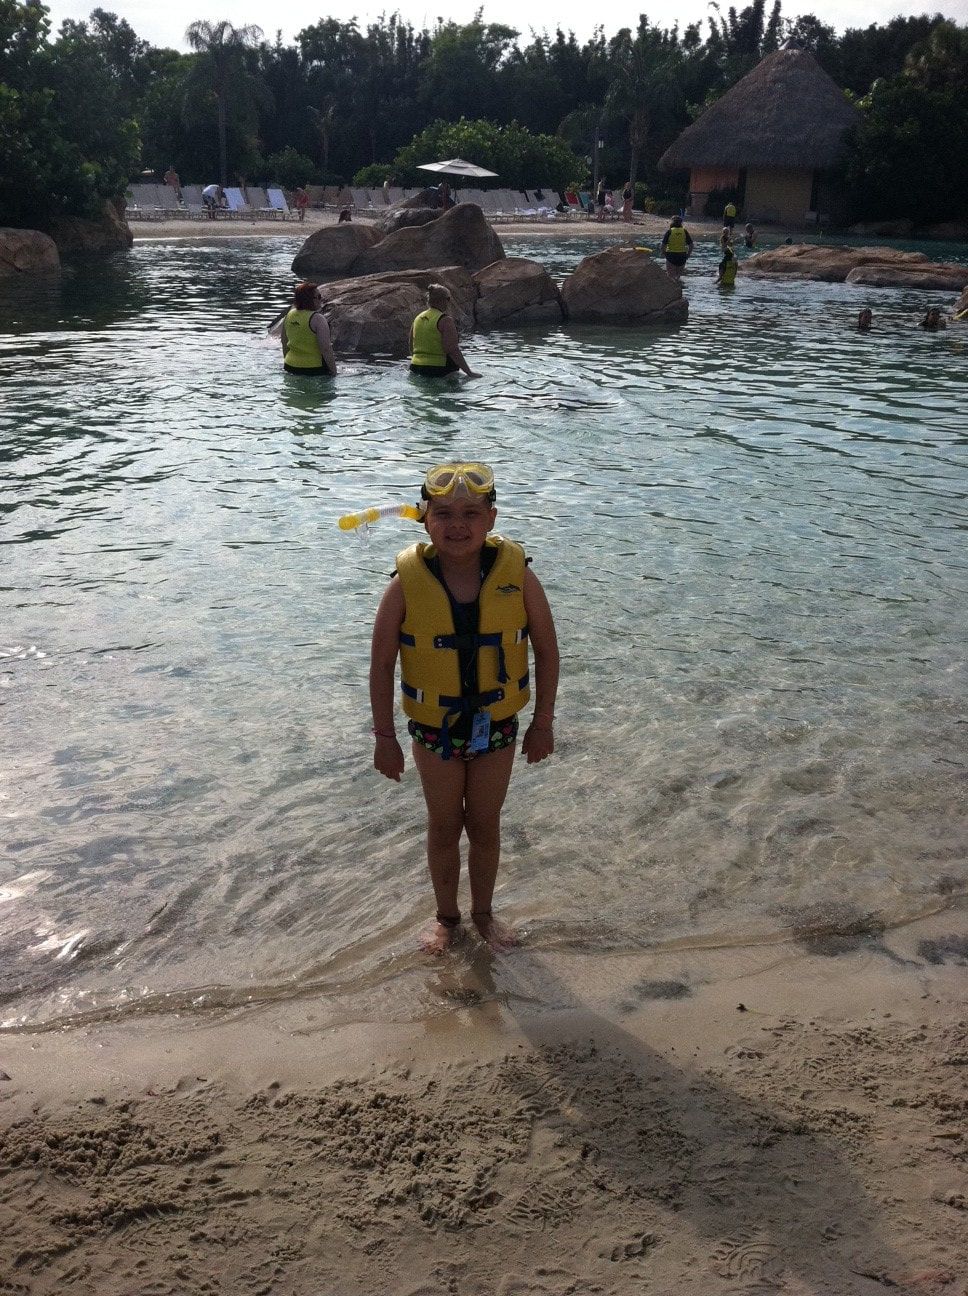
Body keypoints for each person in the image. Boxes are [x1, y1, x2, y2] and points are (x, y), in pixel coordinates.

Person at [369, 462, 559, 953]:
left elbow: (547, 651)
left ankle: (484, 915)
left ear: (491, 518)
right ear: (424, 519)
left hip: (497, 724)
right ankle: (447, 919)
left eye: (472, 513)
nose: (459, 525)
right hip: (433, 729)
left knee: (485, 824)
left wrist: (543, 724)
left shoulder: (517, 575)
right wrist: (385, 739)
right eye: (445, 513)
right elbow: (381, 664)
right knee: (444, 824)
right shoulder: (406, 583)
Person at [409, 284, 479, 379]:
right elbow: (452, 349)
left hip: (415, 368)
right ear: (443, 300)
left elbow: (411, 344)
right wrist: (469, 373)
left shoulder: (418, 318)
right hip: (439, 369)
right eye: (449, 299)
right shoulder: (445, 320)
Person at [281, 281, 337, 376]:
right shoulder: (318, 319)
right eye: (318, 297)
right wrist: (334, 372)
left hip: (289, 366)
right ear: (308, 299)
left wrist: (289, 361)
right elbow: (326, 348)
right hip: (313, 369)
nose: (321, 299)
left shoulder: (289, 315)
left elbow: (284, 342)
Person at [660, 214, 693, 280]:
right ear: (681, 223)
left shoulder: (669, 231)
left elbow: (663, 245)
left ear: (672, 222)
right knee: (678, 278)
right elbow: (691, 245)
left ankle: (671, 290)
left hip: (671, 255)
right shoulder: (684, 231)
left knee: (670, 277)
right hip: (682, 256)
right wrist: (688, 254)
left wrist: (664, 253)